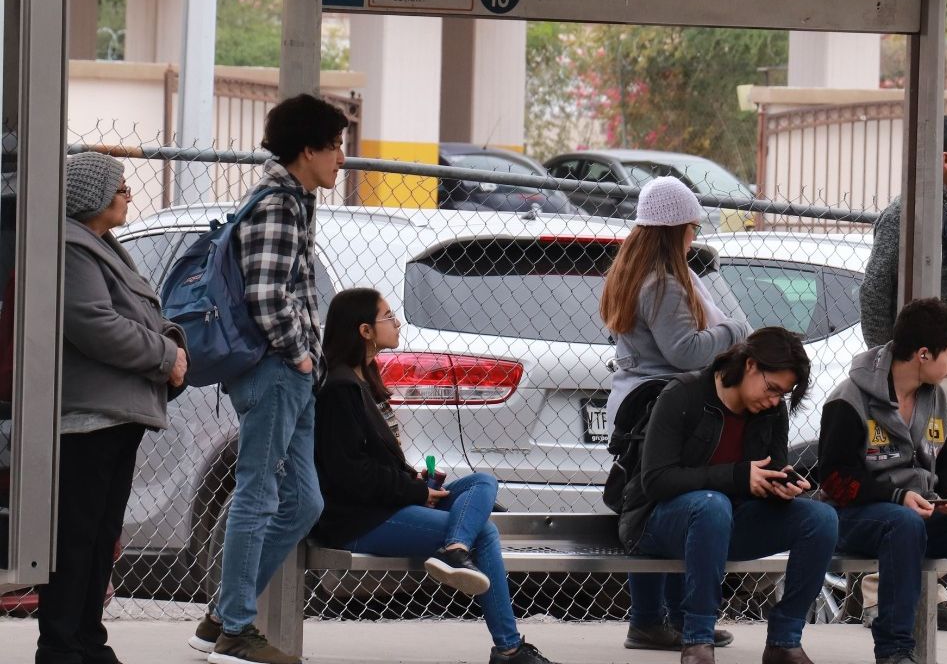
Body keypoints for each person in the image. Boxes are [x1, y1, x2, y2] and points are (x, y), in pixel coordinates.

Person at [309, 287, 560, 664]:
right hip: (357, 519)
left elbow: (376, 461)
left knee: (482, 483)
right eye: (388, 317)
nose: (396, 323)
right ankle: (506, 645)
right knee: (486, 531)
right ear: (364, 330)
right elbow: (350, 474)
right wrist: (414, 492)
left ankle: (456, 550)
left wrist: (418, 482)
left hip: (386, 503)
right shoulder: (341, 387)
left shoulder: (365, 379)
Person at [191, 94, 346, 664]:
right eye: (334, 147)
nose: (341, 160)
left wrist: (304, 362)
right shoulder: (278, 205)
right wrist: (301, 355)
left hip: (290, 373)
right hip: (276, 371)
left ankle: (220, 617)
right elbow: (265, 296)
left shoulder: (294, 199)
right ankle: (235, 628)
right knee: (256, 495)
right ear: (307, 150)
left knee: (301, 502)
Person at [39, 152, 188, 664]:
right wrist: (166, 356)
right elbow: (93, 324)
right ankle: (61, 645)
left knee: (101, 535)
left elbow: (136, 313)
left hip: (117, 414)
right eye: (119, 185)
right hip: (88, 417)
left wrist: (169, 342)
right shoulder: (71, 246)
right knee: (78, 535)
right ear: (91, 196)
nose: (128, 192)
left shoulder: (103, 247)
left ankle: (86, 639)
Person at [817, 299, 947, 664]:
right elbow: (834, 480)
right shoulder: (848, 399)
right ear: (924, 354)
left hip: (919, 512)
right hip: (855, 517)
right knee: (903, 522)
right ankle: (895, 651)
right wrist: (897, 496)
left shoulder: (939, 397)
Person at [618, 327, 837, 664]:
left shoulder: (771, 411)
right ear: (750, 365)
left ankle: (784, 641)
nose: (776, 400)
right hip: (658, 523)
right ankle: (698, 641)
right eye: (772, 388)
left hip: (728, 520)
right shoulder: (684, 394)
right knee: (711, 504)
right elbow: (656, 481)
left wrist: (781, 485)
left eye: (784, 394)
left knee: (821, 518)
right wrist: (737, 476)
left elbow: (769, 469)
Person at [599, 176, 751, 652]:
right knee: (661, 505)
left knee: (652, 501)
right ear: (673, 230)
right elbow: (685, 351)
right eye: (691, 227)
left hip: (643, 402)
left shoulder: (639, 272)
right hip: (660, 406)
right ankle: (654, 619)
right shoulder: (662, 283)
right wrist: (734, 332)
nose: (694, 236)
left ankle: (655, 618)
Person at [857, 114, 947, 631]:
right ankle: (879, 598)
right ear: (943, 159)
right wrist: (888, 362)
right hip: (913, 373)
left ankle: (931, 594)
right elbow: (874, 289)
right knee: (893, 477)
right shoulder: (903, 215)